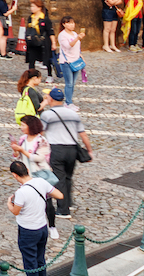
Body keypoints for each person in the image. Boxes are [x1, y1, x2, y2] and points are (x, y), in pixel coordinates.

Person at [39, 89, 90, 217]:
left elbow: (40, 132)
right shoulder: (73, 114)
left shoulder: (47, 115)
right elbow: (83, 134)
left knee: (59, 179)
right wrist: (89, 150)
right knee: (68, 177)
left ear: (50, 99)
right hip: (72, 149)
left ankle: (63, 210)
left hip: (57, 149)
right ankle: (68, 203)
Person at [6, 160, 57, 276]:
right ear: (27, 170)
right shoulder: (41, 182)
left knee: (30, 263)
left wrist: (9, 203)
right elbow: (59, 195)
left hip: (28, 231)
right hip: (42, 227)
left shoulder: (21, 192)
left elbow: (15, 211)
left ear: (14, 175)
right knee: (40, 259)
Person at [54, 16, 84, 105]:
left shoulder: (74, 33)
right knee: (69, 83)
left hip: (75, 61)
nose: (72, 25)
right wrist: (78, 38)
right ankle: (68, 102)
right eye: (69, 23)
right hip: (66, 62)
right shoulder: (62, 35)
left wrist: (81, 56)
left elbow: (77, 47)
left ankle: (69, 100)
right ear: (64, 24)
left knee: (73, 83)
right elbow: (68, 46)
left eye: (73, 23)